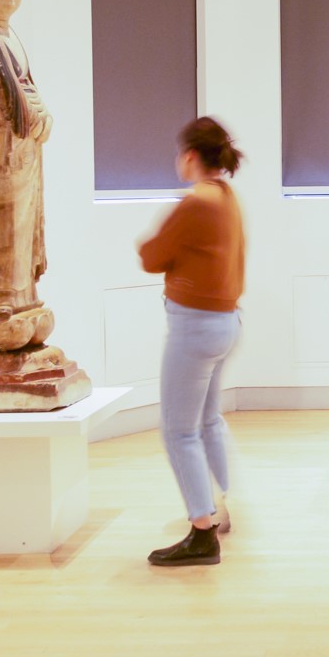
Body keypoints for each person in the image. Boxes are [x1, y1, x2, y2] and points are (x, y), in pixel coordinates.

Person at [137, 117, 247, 567]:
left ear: (190, 156)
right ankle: (221, 506)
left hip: (195, 327)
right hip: (225, 322)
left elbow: (151, 255)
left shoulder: (196, 202)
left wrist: (158, 253)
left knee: (178, 430)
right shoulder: (226, 196)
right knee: (206, 421)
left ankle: (202, 533)